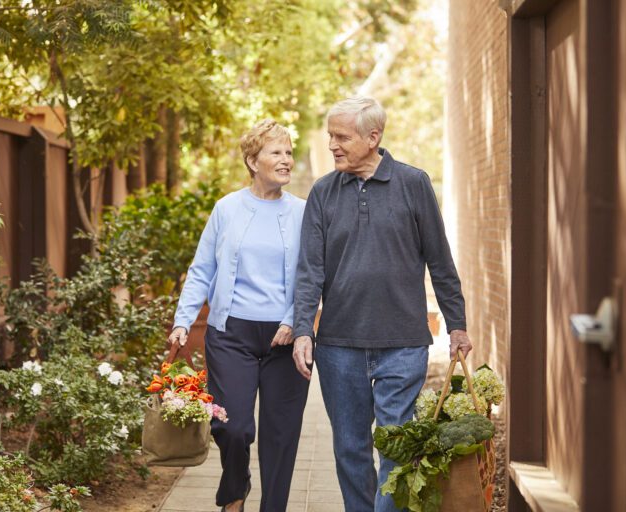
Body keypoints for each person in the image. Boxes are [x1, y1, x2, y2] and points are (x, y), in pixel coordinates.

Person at [292, 96, 473, 512]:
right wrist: (304, 329)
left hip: (403, 342)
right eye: (330, 136)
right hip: (339, 345)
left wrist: (457, 324)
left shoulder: (413, 183)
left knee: (395, 445)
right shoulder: (322, 192)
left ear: (373, 138)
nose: (333, 145)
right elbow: (309, 271)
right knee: (350, 449)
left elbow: (440, 260)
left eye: (342, 137)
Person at [169, 119, 308, 512]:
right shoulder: (227, 209)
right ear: (252, 160)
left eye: (288, 152)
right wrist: (183, 321)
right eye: (275, 152)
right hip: (231, 334)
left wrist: (294, 320)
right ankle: (236, 488)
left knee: (280, 438)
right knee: (233, 428)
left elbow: (315, 274)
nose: (286, 160)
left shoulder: (302, 211)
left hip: (286, 339)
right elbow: (202, 270)